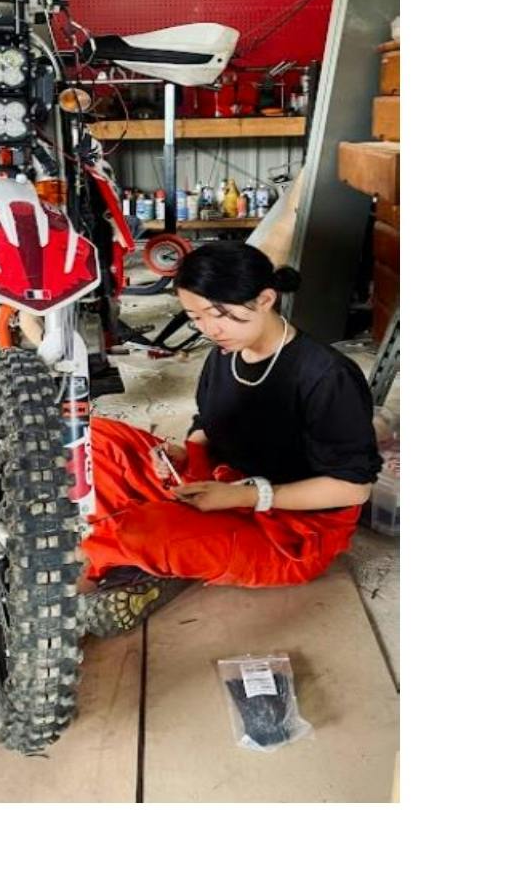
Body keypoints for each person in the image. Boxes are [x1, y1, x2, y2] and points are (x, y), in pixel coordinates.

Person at [77, 241, 382, 638]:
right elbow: (209, 423)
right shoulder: (224, 353)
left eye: (220, 314)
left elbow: (353, 488)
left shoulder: (327, 376)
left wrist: (245, 496)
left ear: (266, 299)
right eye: (196, 317)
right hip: (220, 483)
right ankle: (151, 552)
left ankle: (135, 555)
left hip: (286, 526)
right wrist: (179, 454)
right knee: (93, 440)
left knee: (138, 532)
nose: (210, 329)